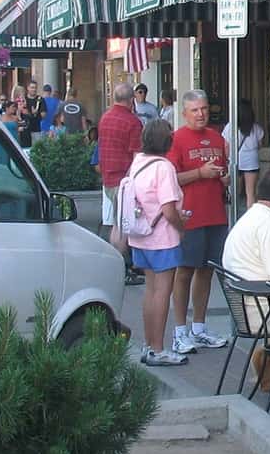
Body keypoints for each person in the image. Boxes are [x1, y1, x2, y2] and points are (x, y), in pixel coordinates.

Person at [166, 89, 232, 359]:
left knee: (207, 271)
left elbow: (223, 173)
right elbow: (170, 179)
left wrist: (224, 178)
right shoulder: (176, 139)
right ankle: (180, 330)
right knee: (184, 272)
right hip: (189, 215)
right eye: (195, 110)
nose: (201, 114)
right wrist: (199, 173)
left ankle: (200, 327)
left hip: (215, 213)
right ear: (184, 113)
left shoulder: (217, 138)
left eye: (204, 109)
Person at [123, 119, 189, 368]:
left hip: (139, 236)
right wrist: (182, 227)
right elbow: (169, 209)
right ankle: (159, 349)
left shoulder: (138, 162)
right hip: (162, 237)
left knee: (150, 292)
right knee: (163, 292)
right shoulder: (164, 167)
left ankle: (149, 344)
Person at [97, 82, 146, 282]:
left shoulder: (104, 119)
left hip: (108, 178)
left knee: (117, 223)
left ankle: (117, 265)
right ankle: (122, 267)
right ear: (130, 100)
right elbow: (137, 156)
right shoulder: (133, 122)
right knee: (124, 225)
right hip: (125, 180)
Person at [224, 99, 265, 207]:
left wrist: (226, 160)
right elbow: (260, 145)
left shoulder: (230, 126)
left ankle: (234, 217)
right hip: (252, 161)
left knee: (234, 192)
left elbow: (226, 146)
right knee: (250, 194)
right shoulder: (256, 127)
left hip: (235, 160)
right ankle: (250, 220)